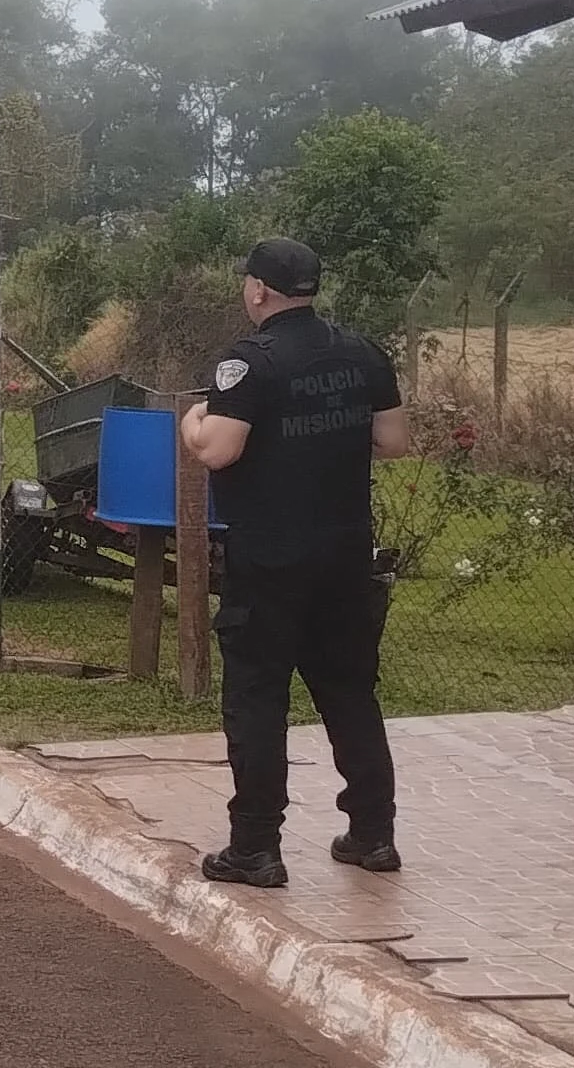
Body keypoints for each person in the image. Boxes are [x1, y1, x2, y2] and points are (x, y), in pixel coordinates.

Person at [176, 236, 415, 887]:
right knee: (350, 692)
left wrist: (193, 421)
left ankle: (255, 847)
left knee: (257, 697)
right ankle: (373, 834)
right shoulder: (362, 353)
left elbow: (219, 449)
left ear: (259, 289)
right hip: (345, 555)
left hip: (270, 559)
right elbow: (394, 441)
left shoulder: (248, 362)